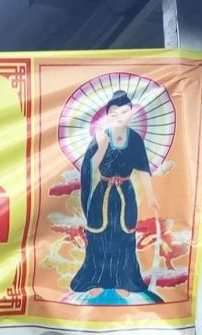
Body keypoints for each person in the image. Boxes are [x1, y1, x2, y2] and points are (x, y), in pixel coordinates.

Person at [69, 90, 163, 303]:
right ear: (107, 115)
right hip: (102, 193)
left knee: (124, 235)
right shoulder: (101, 136)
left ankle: (124, 281)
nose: (120, 115)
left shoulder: (135, 139)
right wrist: (101, 145)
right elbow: (91, 167)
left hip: (125, 193)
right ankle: (96, 280)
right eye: (114, 112)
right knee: (99, 237)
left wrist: (151, 197)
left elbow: (143, 169)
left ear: (131, 112)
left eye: (124, 111)